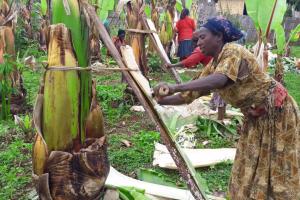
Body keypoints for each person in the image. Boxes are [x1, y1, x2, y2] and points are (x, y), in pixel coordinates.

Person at [153, 17, 300, 199]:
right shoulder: (213, 66)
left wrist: (176, 86)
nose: (198, 43)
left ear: (218, 37)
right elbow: (187, 96)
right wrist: (159, 100)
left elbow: (221, 79)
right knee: (249, 162)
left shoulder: (233, 51)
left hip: (277, 111)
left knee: (278, 164)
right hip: (256, 116)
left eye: (202, 38)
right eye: (197, 40)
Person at [166, 30, 226, 120]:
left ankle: (221, 119)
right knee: (219, 93)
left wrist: (172, 65)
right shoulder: (211, 50)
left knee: (220, 92)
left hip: (217, 72)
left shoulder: (200, 50)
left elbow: (189, 61)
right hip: (215, 71)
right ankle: (218, 113)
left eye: (202, 38)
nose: (199, 43)